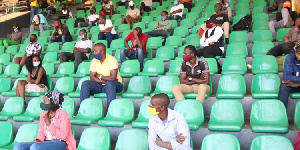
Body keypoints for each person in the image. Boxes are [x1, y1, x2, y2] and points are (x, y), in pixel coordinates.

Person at [278, 41, 300, 107]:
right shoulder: (290, 58)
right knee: (284, 85)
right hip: (293, 84)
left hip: (295, 83)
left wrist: (298, 83)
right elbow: (287, 76)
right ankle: (281, 113)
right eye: (298, 51)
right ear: (295, 50)